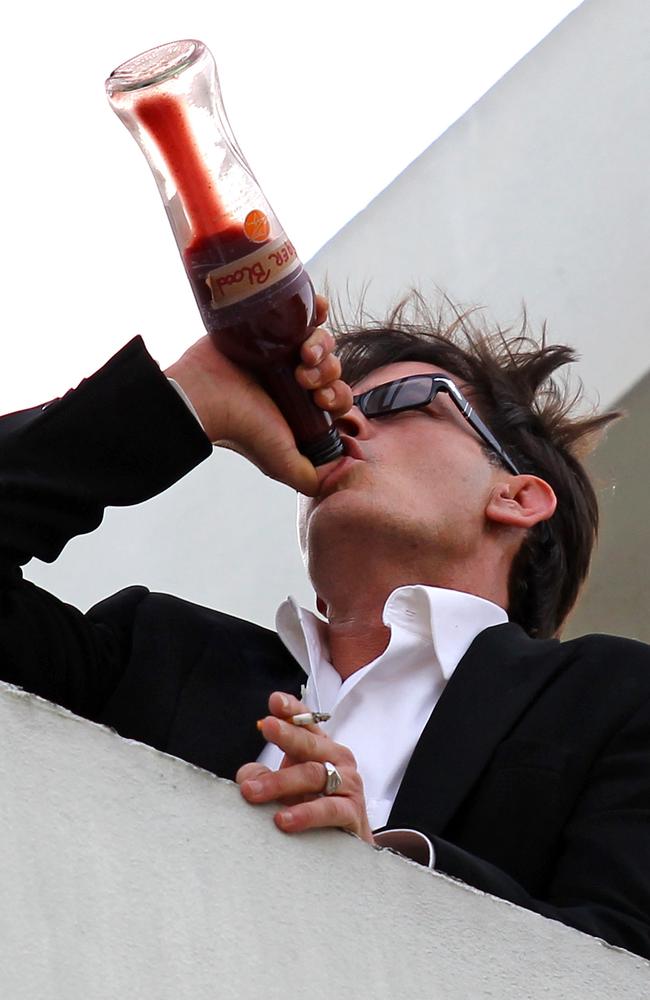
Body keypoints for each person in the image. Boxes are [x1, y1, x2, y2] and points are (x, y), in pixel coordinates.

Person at [1, 294, 649, 960]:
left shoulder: (618, 698)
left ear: (518, 495)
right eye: (322, 414)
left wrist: (389, 872)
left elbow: (629, 955)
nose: (342, 425)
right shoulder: (159, 649)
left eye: (401, 403)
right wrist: (182, 403)